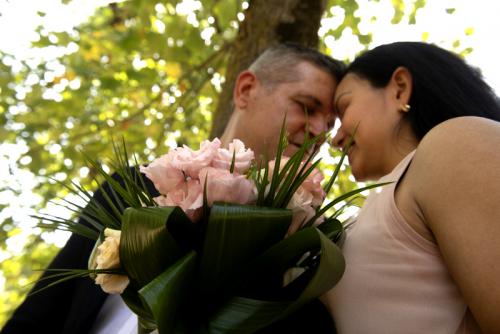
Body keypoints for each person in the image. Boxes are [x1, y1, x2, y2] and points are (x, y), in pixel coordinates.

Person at [2, 43, 345, 334]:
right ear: (245, 90)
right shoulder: (132, 185)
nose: (319, 131)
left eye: (329, 124)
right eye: (307, 106)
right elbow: (46, 303)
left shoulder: (307, 239)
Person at [322, 41, 500, 333]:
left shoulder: (455, 144)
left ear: (399, 88)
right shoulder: (384, 200)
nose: (335, 138)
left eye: (344, 108)